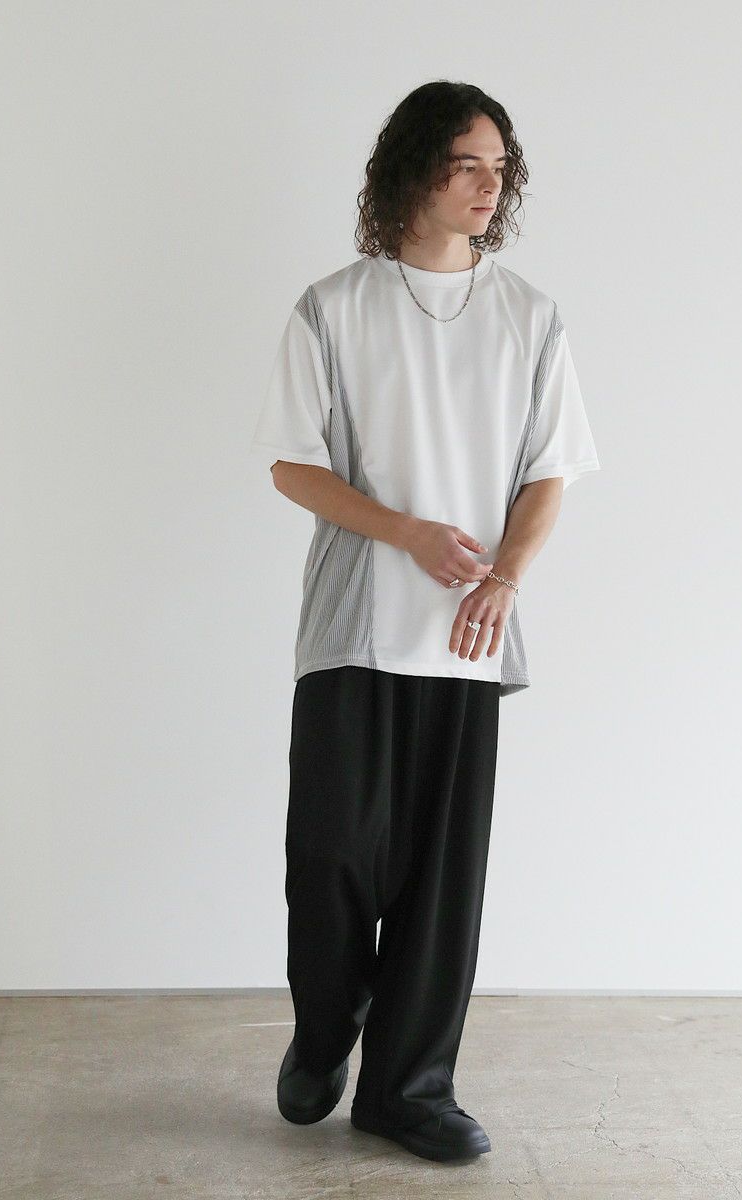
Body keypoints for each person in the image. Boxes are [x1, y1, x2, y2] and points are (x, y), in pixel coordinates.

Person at [250, 80, 601, 1162]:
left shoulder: (529, 316)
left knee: (441, 883)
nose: (490, 186)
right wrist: (404, 532)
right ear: (413, 170)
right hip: (353, 624)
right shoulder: (334, 308)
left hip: (465, 638)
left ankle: (407, 1091)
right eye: (467, 164)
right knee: (329, 859)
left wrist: (506, 577)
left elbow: (549, 471)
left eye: (501, 167)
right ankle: (326, 1028)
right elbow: (293, 466)